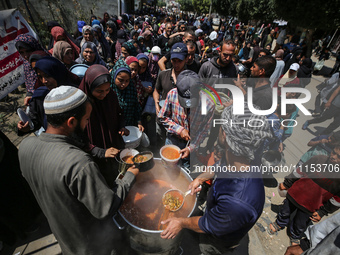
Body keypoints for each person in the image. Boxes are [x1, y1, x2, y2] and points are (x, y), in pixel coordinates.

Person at [18, 86, 139, 255]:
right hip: (90, 243)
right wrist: (130, 176)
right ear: (71, 122)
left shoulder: (25, 146)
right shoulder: (78, 163)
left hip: (61, 233)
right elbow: (106, 206)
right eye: (87, 119)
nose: (87, 124)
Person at [160, 102, 272, 255]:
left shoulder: (238, 202)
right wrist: (200, 178)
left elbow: (206, 224)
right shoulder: (241, 155)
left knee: (207, 249)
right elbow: (220, 165)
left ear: (224, 134)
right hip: (219, 216)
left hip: (219, 239)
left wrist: (180, 222)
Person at [268, 147, 340, 245]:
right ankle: (280, 223)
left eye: (338, 156)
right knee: (285, 211)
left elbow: (337, 200)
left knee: (300, 223)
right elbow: (300, 171)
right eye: (333, 152)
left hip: (313, 205)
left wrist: (323, 212)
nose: (333, 157)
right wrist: (287, 183)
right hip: (296, 193)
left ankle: (294, 234)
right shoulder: (319, 159)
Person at [157, 70, 215, 167]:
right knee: (167, 167)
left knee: (185, 167)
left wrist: (191, 148)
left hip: (191, 144)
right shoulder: (172, 94)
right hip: (172, 140)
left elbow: (204, 131)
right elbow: (163, 116)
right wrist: (179, 130)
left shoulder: (209, 104)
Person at [17, 56, 79, 136]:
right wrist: (26, 127)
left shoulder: (76, 94)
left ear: (58, 73)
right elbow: (35, 119)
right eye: (40, 77)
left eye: (48, 75)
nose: (44, 81)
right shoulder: (40, 96)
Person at [153, 42, 188, 115]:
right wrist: (156, 104)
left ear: (186, 59)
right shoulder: (163, 74)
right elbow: (156, 91)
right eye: (174, 61)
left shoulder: (190, 78)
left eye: (180, 61)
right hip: (162, 117)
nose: (176, 64)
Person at [14, 34, 48, 106]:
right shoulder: (27, 64)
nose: (26, 56)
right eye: (22, 52)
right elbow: (30, 88)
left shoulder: (46, 60)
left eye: (28, 51)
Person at [110, 60, 144, 131]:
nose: (124, 84)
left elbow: (136, 105)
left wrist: (139, 122)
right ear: (114, 76)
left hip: (129, 125)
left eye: (127, 81)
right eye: (120, 80)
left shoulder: (131, 89)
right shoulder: (108, 90)